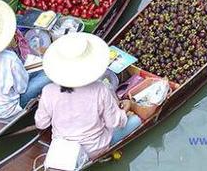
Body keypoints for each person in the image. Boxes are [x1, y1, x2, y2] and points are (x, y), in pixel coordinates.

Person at [35, 32, 141, 161]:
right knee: (136, 120)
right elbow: (114, 122)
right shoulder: (100, 89)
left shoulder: (48, 91)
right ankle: (105, 151)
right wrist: (124, 109)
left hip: (64, 150)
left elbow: (41, 123)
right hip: (95, 149)